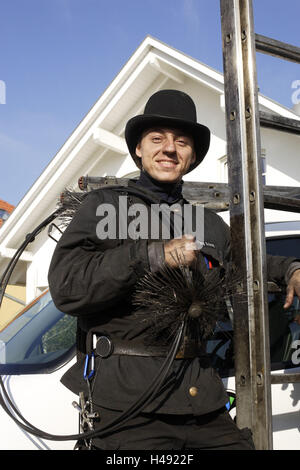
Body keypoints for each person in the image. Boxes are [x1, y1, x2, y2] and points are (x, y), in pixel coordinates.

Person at [48, 89, 300, 450]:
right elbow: (67, 287)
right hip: (129, 410)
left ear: (192, 155)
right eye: (157, 139)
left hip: (201, 398)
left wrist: (291, 268)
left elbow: (246, 266)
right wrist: (152, 257)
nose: (169, 149)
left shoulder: (209, 224)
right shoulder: (103, 208)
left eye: (181, 142)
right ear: (138, 149)